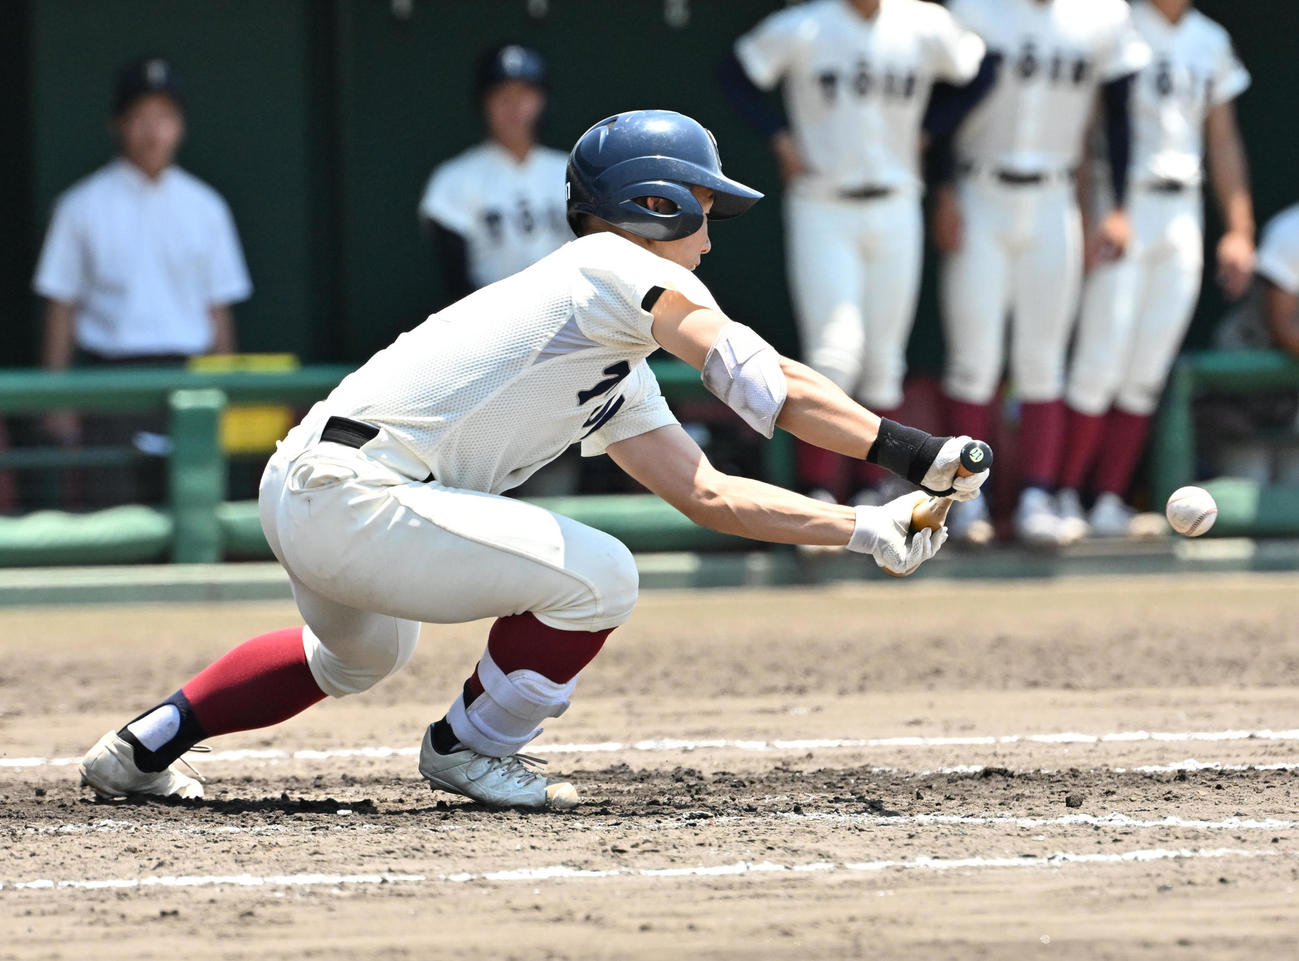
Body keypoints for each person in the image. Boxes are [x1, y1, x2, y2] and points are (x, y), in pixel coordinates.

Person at [77, 110, 989, 811]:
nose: (708, 239)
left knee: (357, 655)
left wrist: (863, 527)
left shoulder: (608, 341)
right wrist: (915, 452)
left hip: (314, 488)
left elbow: (706, 492)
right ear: (655, 204)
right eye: (701, 212)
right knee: (602, 574)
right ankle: (470, 746)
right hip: (358, 495)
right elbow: (760, 376)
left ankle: (142, 747)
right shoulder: (608, 266)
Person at [720, 0, 992, 506]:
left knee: (885, 359)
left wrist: (932, 128)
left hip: (897, 199)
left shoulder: (922, 23)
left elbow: (981, 68)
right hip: (823, 202)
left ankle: (871, 490)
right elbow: (736, 73)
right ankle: (819, 490)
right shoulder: (805, 25)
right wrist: (780, 139)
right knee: (834, 353)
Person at [931, 0, 1149, 545]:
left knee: (1043, 360)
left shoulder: (1103, 14)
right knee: (974, 359)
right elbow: (938, 108)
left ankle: (1038, 497)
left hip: (1054, 198)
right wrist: (944, 189)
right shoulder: (973, 9)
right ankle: (965, 501)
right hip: (980, 189)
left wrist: (1118, 206)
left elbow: (1119, 114)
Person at [1055, 0, 1254, 536]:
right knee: (1099, 359)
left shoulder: (1209, 38)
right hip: (1121, 201)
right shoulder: (1116, 23)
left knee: (1147, 368)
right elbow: (1084, 127)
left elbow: (1222, 138)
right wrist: (1086, 214)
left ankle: (1109, 499)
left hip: (1182, 206)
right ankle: (1062, 494)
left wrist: (1239, 229)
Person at [32, 56, 251, 507]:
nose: (153, 131)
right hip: (110, 386)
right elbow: (61, 306)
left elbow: (218, 311)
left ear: (181, 126)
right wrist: (58, 400)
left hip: (190, 384)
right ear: (118, 123)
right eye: (141, 116)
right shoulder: (80, 206)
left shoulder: (207, 207)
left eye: (165, 117)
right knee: (114, 523)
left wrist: (225, 391)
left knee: (194, 517)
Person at [418, 44, 570, 304]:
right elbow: (456, 280)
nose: (514, 105)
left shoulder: (572, 169)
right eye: (502, 94)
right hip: (491, 316)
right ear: (483, 102)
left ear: (542, 100)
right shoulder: (454, 178)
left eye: (524, 93)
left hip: (573, 315)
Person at [1200, 202, 1299, 484]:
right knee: (1247, 480)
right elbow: (1284, 326)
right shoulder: (1291, 230)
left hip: (1292, 397)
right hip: (1247, 384)